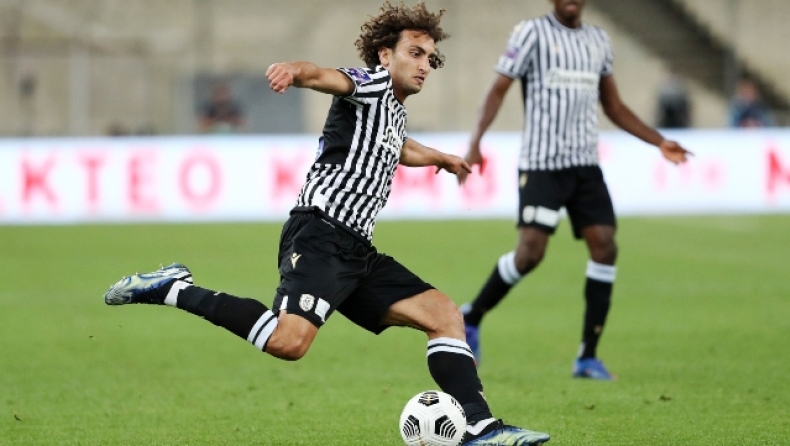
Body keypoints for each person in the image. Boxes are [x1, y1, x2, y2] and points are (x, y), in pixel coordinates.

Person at [103, 2, 550, 445]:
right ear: (384, 55)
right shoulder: (370, 85)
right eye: (414, 53)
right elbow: (321, 76)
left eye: (429, 57)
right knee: (288, 342)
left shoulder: (392, 109)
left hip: (358, 251)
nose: (424, 65)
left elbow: (399, 147)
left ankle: (481, 428)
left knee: (444, 315)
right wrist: (292, 71)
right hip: (321, 234)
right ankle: (172, 289)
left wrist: (442, 158)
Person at [456, 0, 691, 380]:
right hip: (542, 165)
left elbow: (613, 106)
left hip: (585, 166)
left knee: (605, 246)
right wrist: (475, 141)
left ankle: (587, 356)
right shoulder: (530, 34)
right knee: (530, 254)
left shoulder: (598, 40)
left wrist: (659, 141)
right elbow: (498, 89)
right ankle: (472, 316)